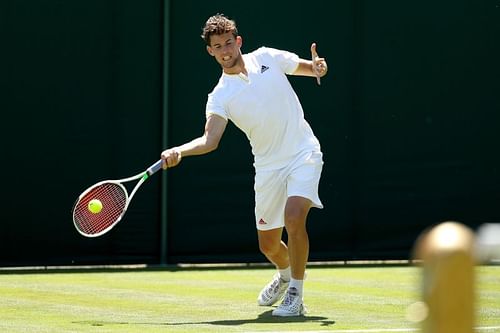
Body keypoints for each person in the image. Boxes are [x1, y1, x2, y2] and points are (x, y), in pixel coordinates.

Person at [161, 14, 328, 317]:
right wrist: (179, 151)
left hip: (303, 152)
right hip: (267, 168)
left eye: (228, 43)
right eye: (217, 46)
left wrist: (318, 67)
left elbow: (310, 68)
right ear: (210, 51)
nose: (225, 50)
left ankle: (296, 294)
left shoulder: (267, 57)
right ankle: (285, 274)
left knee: (294, 217)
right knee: (268, 245)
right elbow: (209, 140)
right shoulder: (219, 97)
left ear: (238, 42)